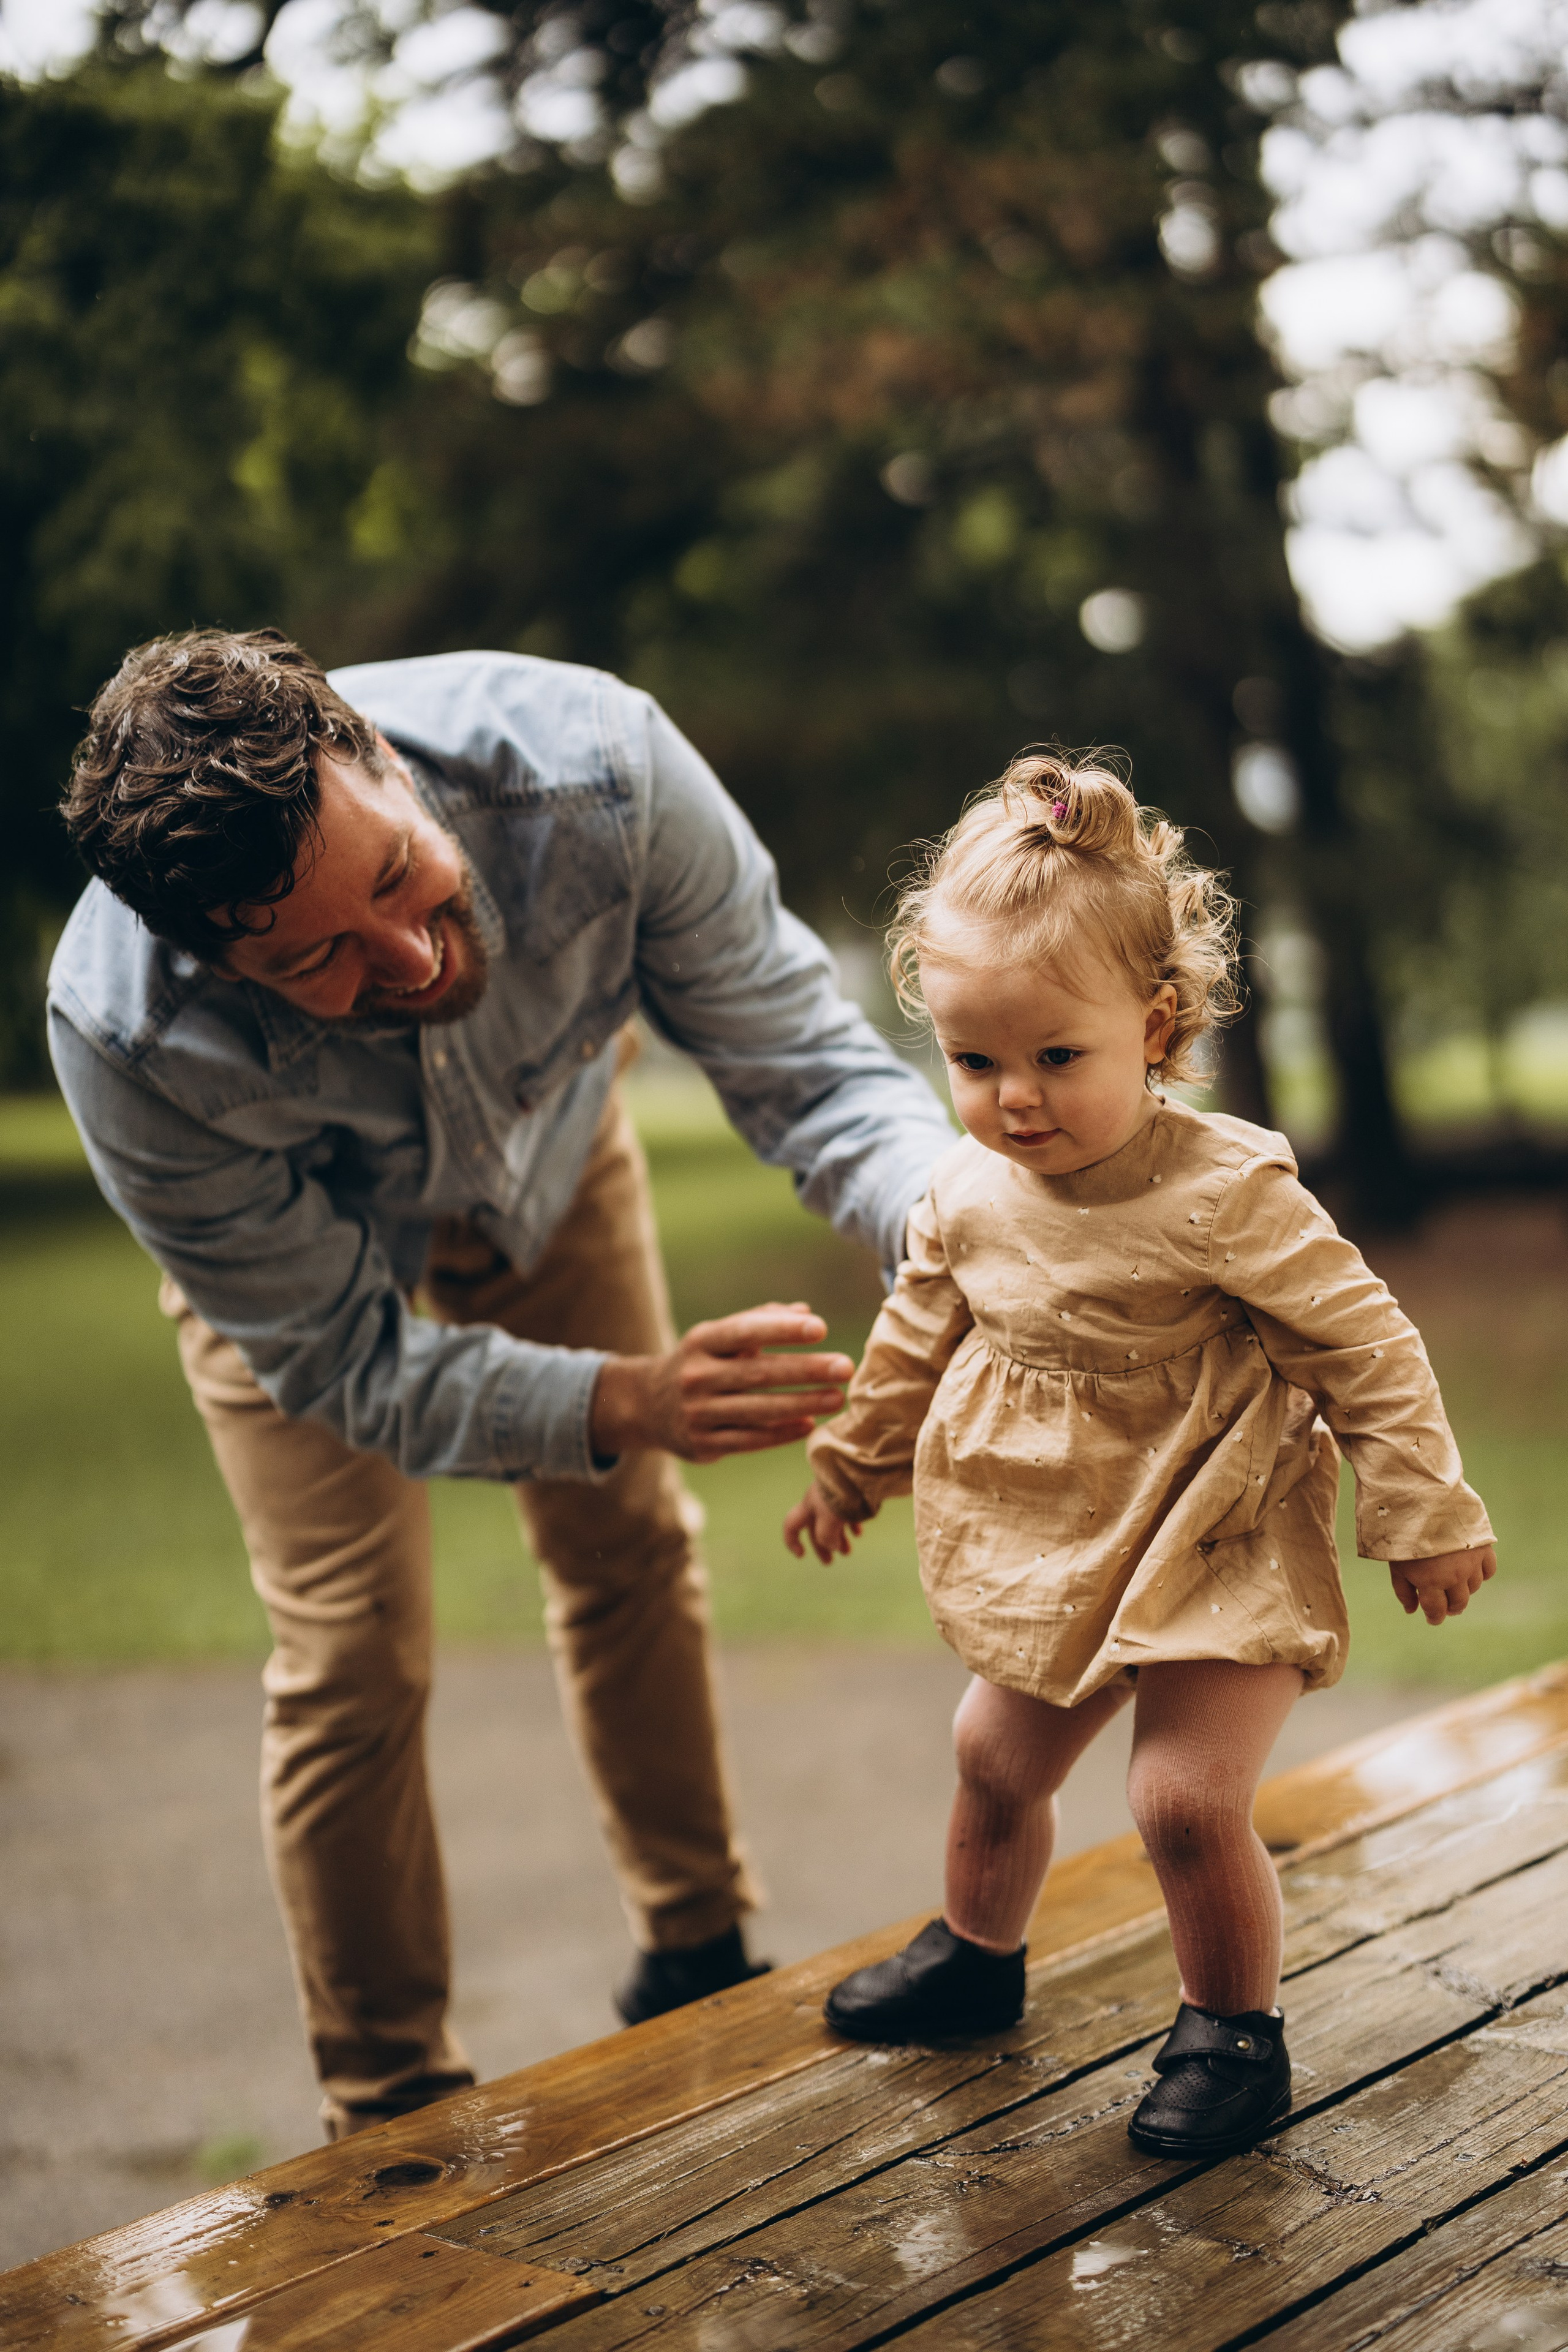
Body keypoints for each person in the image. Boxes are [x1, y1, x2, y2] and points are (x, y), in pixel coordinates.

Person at [48, 627, 956, 2139]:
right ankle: (390, 2109)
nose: (401, 959)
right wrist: (625, 1399)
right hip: (312, 1261)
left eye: (397, 876)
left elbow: (809, 1068)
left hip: (548, 1140)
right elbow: (341, 1359)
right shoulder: (126, 1033)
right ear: (213, 955)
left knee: (629, 1545)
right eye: (314, 958)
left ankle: (696, 1956)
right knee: (351, 1650)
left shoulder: (597, 770)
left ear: (383, 760)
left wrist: (955, 1228)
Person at [785, 750, 1496, 2161]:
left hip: (1214, 1521)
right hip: (1054, 1524)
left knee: (1180, 1798)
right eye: (974, 1061)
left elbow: (1364, 1344)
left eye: (1057, 1057)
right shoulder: (966, 1191)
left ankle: (1230, 2034)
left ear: (1156, 1028)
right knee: (989, 1751)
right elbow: (914, 1329)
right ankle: (976, 1958)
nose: (1015, 1098)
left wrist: (1420, 1508)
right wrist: (853, 1457)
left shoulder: (1223, 1191)